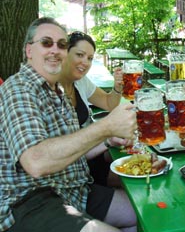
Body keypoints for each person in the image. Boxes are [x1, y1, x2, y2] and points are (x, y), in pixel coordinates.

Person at [0, 17, 137, 232]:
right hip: (30, 201)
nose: (55, 50)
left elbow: (75, 149)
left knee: (142, 212)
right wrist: (105, 127)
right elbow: (36, 162)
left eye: (62, 45)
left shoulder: (58, 91)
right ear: (29, 51)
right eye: (46, 43)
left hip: (74, 191)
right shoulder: (18, 89)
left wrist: (108, 139)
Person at [59, 31, 130, 187]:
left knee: (135, 158)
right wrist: (107, 138)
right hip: (73, 167)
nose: (85, 62)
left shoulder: (80, 81)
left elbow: (108, 103)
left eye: (90, 58)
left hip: (90, 153)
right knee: (130, 178)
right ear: (65, 52)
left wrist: (117, 87)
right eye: (80, 54)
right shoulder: (52, 88)